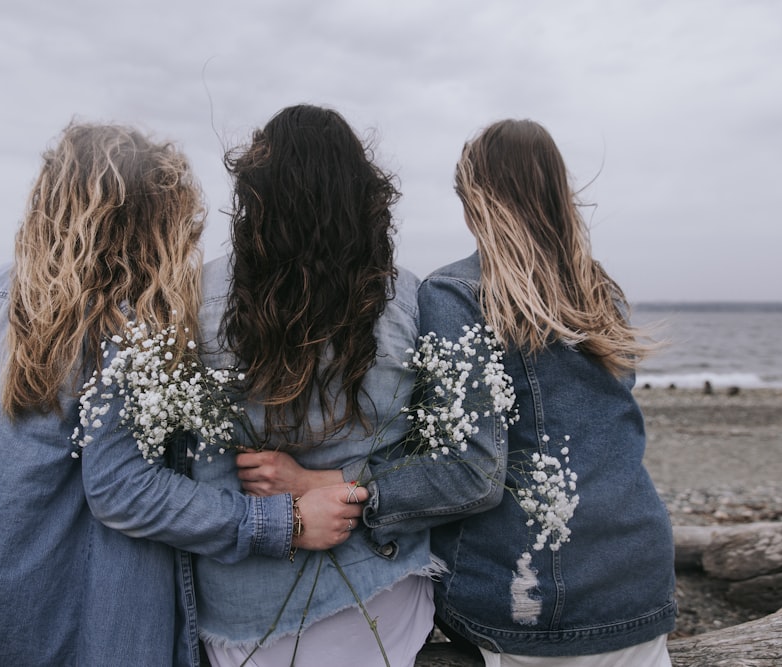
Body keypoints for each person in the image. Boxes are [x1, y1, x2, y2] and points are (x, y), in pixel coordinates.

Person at [0, 122, 367, 667]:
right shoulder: (124, 324)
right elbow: (123, 488)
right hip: (88, 641)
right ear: (150, 222)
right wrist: (288, 522)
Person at [240, 119, 677, 666]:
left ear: (473, 199)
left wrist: (325, 481)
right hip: (641, 574)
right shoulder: (599, 289)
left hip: (534, 597)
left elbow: (470, 473)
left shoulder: (458, 293)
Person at [191, 104, 438, 666]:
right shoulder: (411, 299)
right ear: (364, 193)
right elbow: (440, 455)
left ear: (255, 193)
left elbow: (186, 463)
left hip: (239, 609)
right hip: (378, 584)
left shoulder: (194, 295)